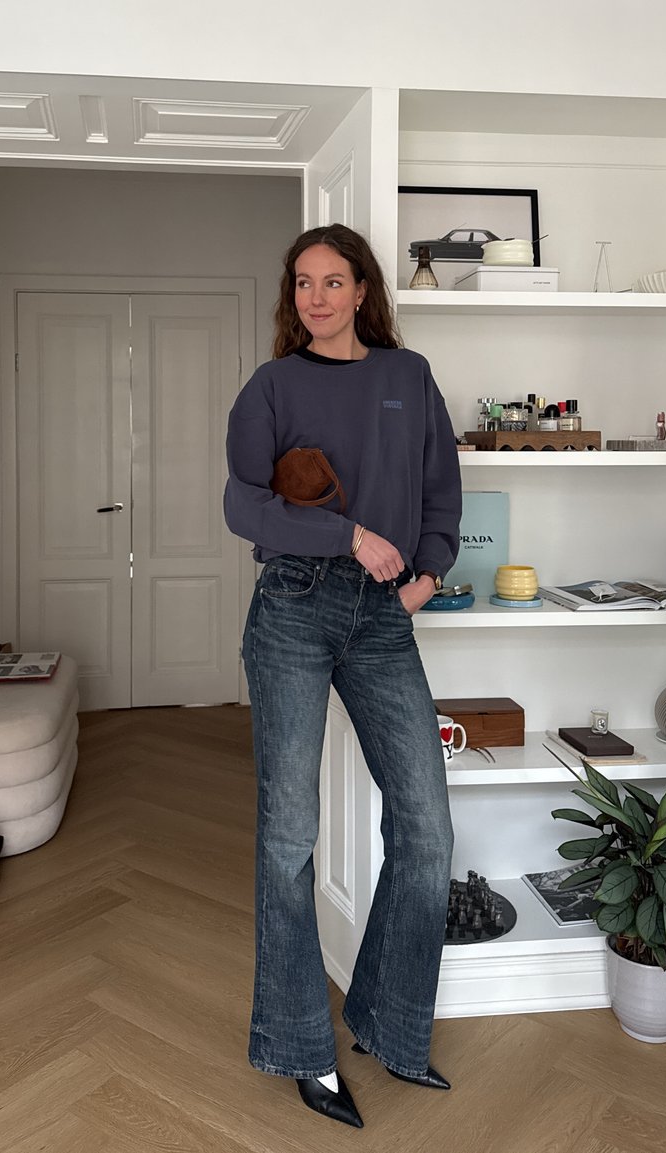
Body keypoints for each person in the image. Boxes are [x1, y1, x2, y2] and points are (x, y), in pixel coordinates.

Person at [223, 223, 462, 1129]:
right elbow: (243, 503)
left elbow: (440, 486)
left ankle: (389, 1023)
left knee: (427, 826)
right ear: (292, 296)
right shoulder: (272, 385)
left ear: (363, 290)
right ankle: (300, 1046)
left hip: (384, 616)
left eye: (333, 281)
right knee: (290, 836)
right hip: (293, 603)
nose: (316, 297)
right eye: (303, 283)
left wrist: (427, 574)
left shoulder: (409, 376)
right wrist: (348, 535)